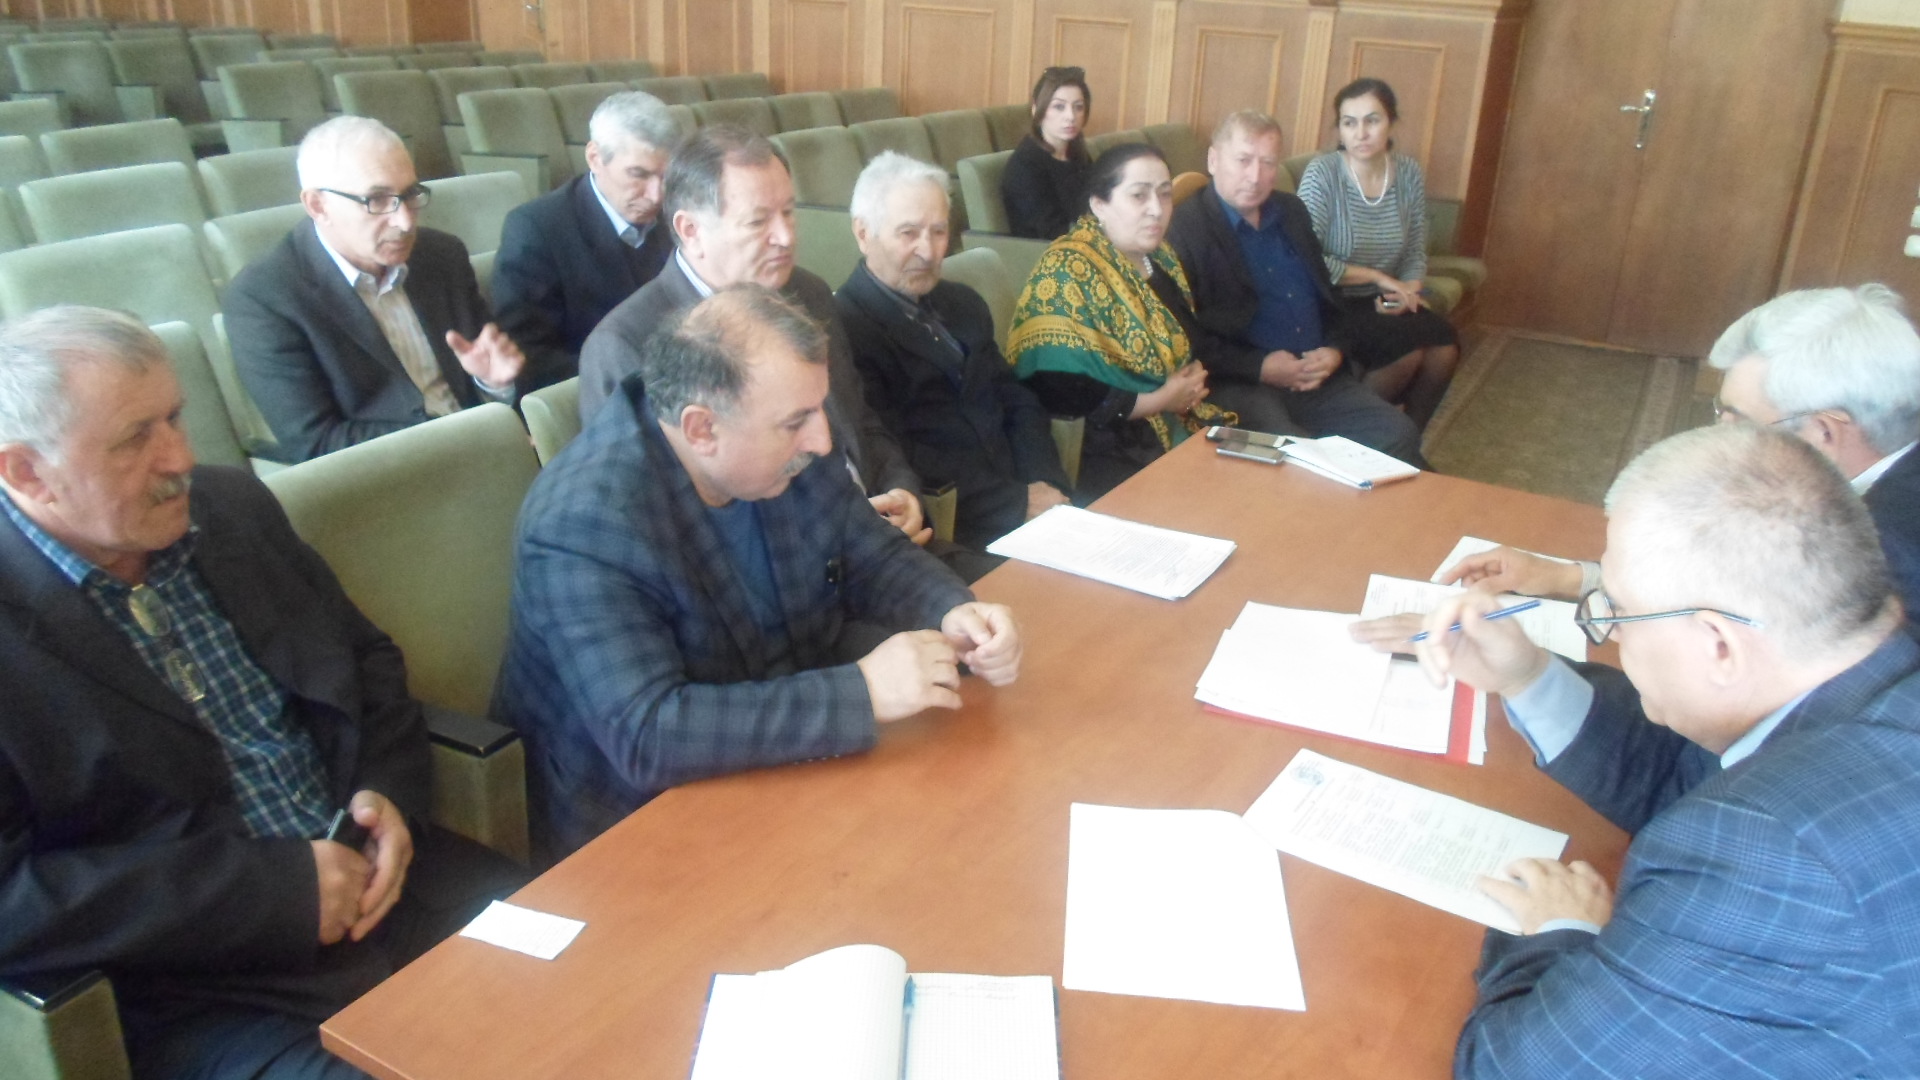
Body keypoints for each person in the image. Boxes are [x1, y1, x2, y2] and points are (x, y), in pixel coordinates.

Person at [0, 307, 526, 1080]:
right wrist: (276, 893)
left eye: (175, 417)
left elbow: (366, 662)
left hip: (397, 887)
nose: (181, 457)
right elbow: (14, 900)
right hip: (205, 988)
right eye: (135, 439)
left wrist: (388, 795)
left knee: (606, 968)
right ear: (26, 472)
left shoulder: (230, 508)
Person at [1353, 422, 1920, 1076]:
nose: (1611, 633)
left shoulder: (1771, 855)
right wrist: (1525, 676)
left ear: (1719, 645)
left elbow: (1518, 1068)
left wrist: (1562, 931)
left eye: (1618, 613)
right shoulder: (1872, 681)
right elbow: (1693, 777)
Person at [494, 287, 1023, 859]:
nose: (822, 439)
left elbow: (869, 552)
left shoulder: (785, 438)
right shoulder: (584, 523)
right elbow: (649, 733)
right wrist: (864, 691)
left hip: (785, 755)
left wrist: (951, 609)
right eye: (796, 422)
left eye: (819, 409)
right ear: (702, 429)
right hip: (632, 821)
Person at [1440, 285, 1920, 617]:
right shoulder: (1861, 480)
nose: (1719, 435)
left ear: (1823, 432)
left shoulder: (1888, 560)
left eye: (1740, 420)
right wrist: (1568, 579)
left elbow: (1748, 621)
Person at [578, 124, 929, 545]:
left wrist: (902, 488)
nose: (785, 236)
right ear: (691, 230)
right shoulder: (626, 344)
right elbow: (665, 518)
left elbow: (859, 419)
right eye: (758, 221)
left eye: (789, 212)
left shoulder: (810, 293)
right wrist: (844, 534)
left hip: (885, 539)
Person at [224, 116, 536, 464]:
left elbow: (493, 378)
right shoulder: (264, 299)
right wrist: (465, 440)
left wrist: (493, 385)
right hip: (388, 475)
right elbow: (315, 443)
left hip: (487, 448)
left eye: (409, 195)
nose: (405, 221)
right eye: (377, 200)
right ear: (318, 206)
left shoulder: (442, 256)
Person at [837, 151, 1072, 551]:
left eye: (939, 231)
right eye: (908, 233)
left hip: (1031, 498)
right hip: (954, 526)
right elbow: (896, 452)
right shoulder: (847, 328)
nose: (929, 252)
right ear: (863, 233)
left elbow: (1016, 400)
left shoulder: (963, 302)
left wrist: (1045, 482)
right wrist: (1016, 503)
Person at [1166, 109, 1426, 467]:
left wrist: (1334, 350)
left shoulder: (1291, 212)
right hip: (1241, 382)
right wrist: (1260, 367)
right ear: (1213, 160)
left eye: (1268, 163)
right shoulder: (1185, 230)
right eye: (1243, 160)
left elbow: (1328, 299)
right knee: (1298, 456)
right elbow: (1184, 337)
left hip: (1316, 375)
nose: (1255, 176)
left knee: (1397, 433)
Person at [1008, 142, 1236, 500]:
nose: (1156, 209)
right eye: (1138, 196)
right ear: (1099, 204)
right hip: (1103, 443)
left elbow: (1191, 338)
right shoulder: (1068, 269)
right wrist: (1160, 399)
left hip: (1177, 417)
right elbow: (1056, 386)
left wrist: (1189, 383)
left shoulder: (1160, 258)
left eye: (1164, 194)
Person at [1296, 78, 1459, 427]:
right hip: (1330, 300)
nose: (1361, 133)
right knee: (1405, 352)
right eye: (1349, 122)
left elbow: (1415, 248)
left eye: (1372, 120)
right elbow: (1305, 257)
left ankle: (1407, 440)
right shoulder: (1323, 174)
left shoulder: (1408, 173)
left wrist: (1409, 290)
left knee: (1444, 347)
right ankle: (1354, 435)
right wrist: (1378, 277)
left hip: (1384, 299)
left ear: (1391, 124)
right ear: (1339, 130)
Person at [491, 90, 678, 372]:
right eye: (638, 174)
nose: (656, 195)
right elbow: (529, 354)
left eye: (666, 176)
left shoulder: (678, 211)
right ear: (595, 157)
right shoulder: (537, 230)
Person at [1000, 66, 1093, 241]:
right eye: (1059, 107)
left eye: (1078, 107)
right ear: (1037, 109)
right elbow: (1052, 231)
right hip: (1045, 251)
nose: (1070, 116)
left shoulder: (1078, 155)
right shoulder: (1025, 165)